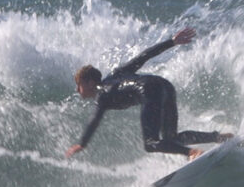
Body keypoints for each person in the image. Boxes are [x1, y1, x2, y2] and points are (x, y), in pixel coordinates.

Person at [66, 27, 232, 161]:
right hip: (164, 85)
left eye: (78, 85)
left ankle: (192, 153)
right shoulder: (117, 73)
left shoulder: (102, 95)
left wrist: (82, 143)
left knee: (150, 143)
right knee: (171, 138)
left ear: (89, 83)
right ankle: (219, 137)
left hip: (149, 90)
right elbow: (143, 57)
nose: (77, 90)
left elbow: (94, 121)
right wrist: (172, 42)